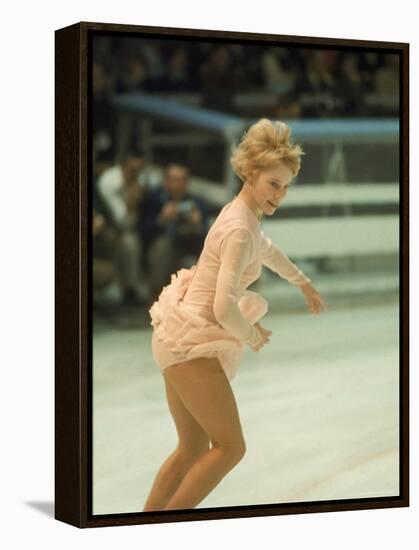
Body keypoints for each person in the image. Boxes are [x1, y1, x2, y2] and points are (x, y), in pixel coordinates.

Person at [143, 118, 327, 512]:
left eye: (285, 186)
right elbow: (224, 308)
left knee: (192, 447)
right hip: (189, 342)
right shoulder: (240, 228)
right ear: (251, 173)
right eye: (273, 184)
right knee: (230, 447)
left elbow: (268, 250)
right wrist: (253, 336)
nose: (279, 194)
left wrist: (303, 283)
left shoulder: (243, 215)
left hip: (176, 335)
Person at [138, 163, 209, 304]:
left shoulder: (196, 203)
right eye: (173, 179)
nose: (177, 185)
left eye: (181, 180)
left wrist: (197, 224)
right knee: (162, 245)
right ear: (165, 181)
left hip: (185, 252)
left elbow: (208, 236)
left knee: (193, 264)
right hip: (157, 255)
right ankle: (155, 293)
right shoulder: (154, 200)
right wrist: (161, 219)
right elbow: (142, 231)